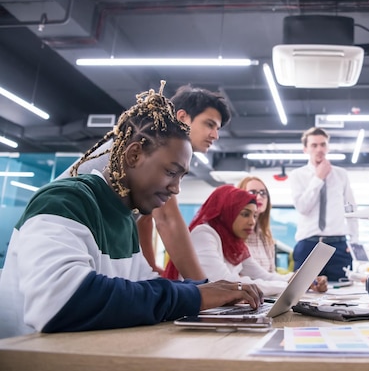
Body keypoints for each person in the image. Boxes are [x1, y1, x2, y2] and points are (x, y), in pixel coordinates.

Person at [0, 82, 262, 339]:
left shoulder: (126, 213)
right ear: (133, 155)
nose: (176, 189)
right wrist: (198, 294)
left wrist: (206, 291)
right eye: (171, 173)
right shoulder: (65, 200)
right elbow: (60, 301)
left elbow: (141, 283)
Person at [59, 84, 231, 280]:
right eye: (209, 124)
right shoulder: (146, 147)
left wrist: (147, 271)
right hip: (62, 245)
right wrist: (203, 287)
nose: (215, 135)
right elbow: (167, 221)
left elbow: (145, 217)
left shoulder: (153, 152)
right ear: (182, 117)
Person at [163, 185, 327, 296]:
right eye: (245, 214)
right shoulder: (205, 233)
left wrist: (301, 280)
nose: (252, 222)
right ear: (227, 211)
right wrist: (290, 287)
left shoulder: (235, 243)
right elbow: (226, 283)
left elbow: (264, 276)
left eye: (255, 216)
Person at [290, 127, 358, 282]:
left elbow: (351, 210)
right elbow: (302, 207)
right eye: (314, 145)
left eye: (323, 144)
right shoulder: (297, 176)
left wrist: (354, 242)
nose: (319, 149)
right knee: (301, 294)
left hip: (339, 246)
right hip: (308, 245)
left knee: (343, 294)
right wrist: (318, 178)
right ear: (305, 149)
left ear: (327, 147)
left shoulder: (341, 174)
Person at [236, 176, 278, 273]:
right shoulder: (235, 235)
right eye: (252, 192)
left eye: (263, 193)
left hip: (267, 287)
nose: (259, 197)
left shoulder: (266, 237)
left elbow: (272, 275)